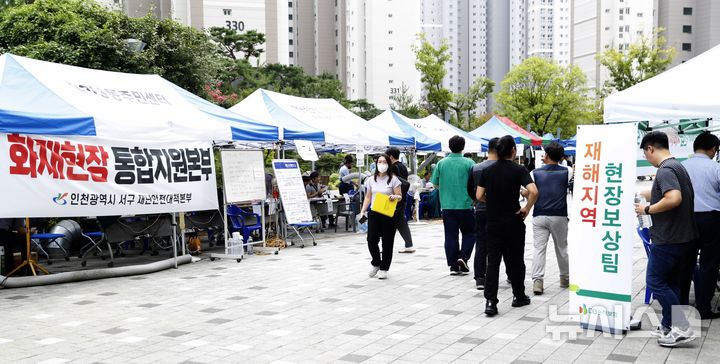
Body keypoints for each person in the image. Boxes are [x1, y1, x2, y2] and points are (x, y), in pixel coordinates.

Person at [634, 131, 698, 347]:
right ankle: (669, 326)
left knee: (655, 282)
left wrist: (647, 209)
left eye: (645, 153)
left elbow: (674, 197)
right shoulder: (678, 166)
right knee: (672, 284)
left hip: (669, 237)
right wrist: (648, 194)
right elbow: (668, 193)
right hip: (684, 236)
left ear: (650, 148)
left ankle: (682, 328)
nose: (647, 157)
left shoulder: (666, 170)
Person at [476, 135, 538, 316]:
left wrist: (493, 201)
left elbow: (479, 195)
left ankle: (490, 302)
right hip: (513, 221)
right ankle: (518, 296)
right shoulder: (519, 170)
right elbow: (534, 191)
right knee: (516, 260)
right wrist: (526, 208)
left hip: (493, 221)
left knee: (493, 262)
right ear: (513, 150)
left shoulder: (487, 171)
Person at [681, 132, 720, 320]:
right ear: (713, 149)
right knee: (708, 264)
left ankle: (680, 306)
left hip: (685, 220)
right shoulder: (715, 168)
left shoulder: (681, 167)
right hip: (711, 221)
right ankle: (703, 307)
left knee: (684, 263)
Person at [529, 142, 572, 295]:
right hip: (559, 215)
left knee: (539, 249)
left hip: (539, 214)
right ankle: (564, 279)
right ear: (562, 157)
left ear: (545, 155)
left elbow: (531, 192)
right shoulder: (568, 171)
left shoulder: (534, 173)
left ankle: (537, 281)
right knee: (562, 248)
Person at [430, 135, 476, 275]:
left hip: (447, 205)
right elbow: (475, 183)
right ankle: (463, 257)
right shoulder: (469, 163)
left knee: (450, 236)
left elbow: (435, 183)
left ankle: (453, 265)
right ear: (463, 147)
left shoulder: (441, 163)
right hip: (466, 204)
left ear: (449, 147)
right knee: (470, 233)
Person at [359, 154, 403, 280]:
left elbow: (400, 196)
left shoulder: (394, 179)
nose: (382, 164)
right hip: (374, 213)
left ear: (388, 164)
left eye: (384, 161)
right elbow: (368, 197)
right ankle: (376, 263)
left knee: (387, 242)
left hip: (388, 214)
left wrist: (395, 197)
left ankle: (384, 268)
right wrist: (363, 211)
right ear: (376, 163)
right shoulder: (371, 180)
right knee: (371, 240)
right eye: (380, 161)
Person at [468, 137, 499, 290]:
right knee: (503, 244)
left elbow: (470, 189)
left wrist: (478, 201)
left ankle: (480, 277)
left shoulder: (475, 167)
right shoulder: (504, 167)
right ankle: (511, 276)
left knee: (481, 244)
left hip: (480, 209)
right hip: (500, 211)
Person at [386, 147, 415, 253]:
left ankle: (387, 247)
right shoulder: (403, 166)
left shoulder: (393, 167)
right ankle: (408, 244)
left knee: (390, 223)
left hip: (395, 198)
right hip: (402, 198)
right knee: (401, 222)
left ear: (391, 157)